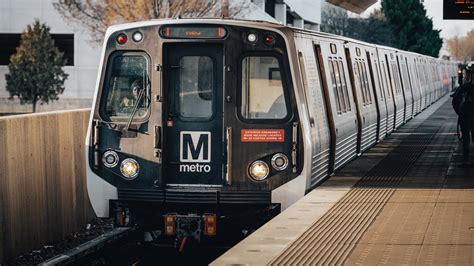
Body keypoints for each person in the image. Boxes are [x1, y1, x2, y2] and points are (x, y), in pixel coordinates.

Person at [452, 62, 474, 165]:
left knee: (466, 138)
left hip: (465, 115)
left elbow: (455, 101)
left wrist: (460, 113)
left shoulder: (463, 87)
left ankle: (466, 160)